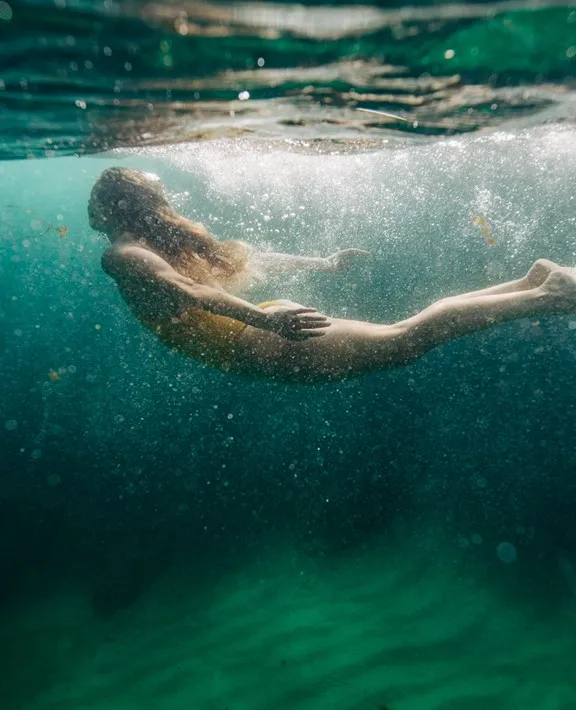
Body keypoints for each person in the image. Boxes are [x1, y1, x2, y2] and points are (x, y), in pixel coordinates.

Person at [90, 167, 576, 383]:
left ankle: (547, 294)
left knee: (405, 340)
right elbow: (247, 257)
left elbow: (188, 290)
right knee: (403, 339)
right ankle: (530, 285)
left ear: (111, 206)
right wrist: (320, 266)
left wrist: (271, 325)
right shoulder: (160, 246)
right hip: (260, 331)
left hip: (258, 338)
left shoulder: (123, 254)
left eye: (94, 199)